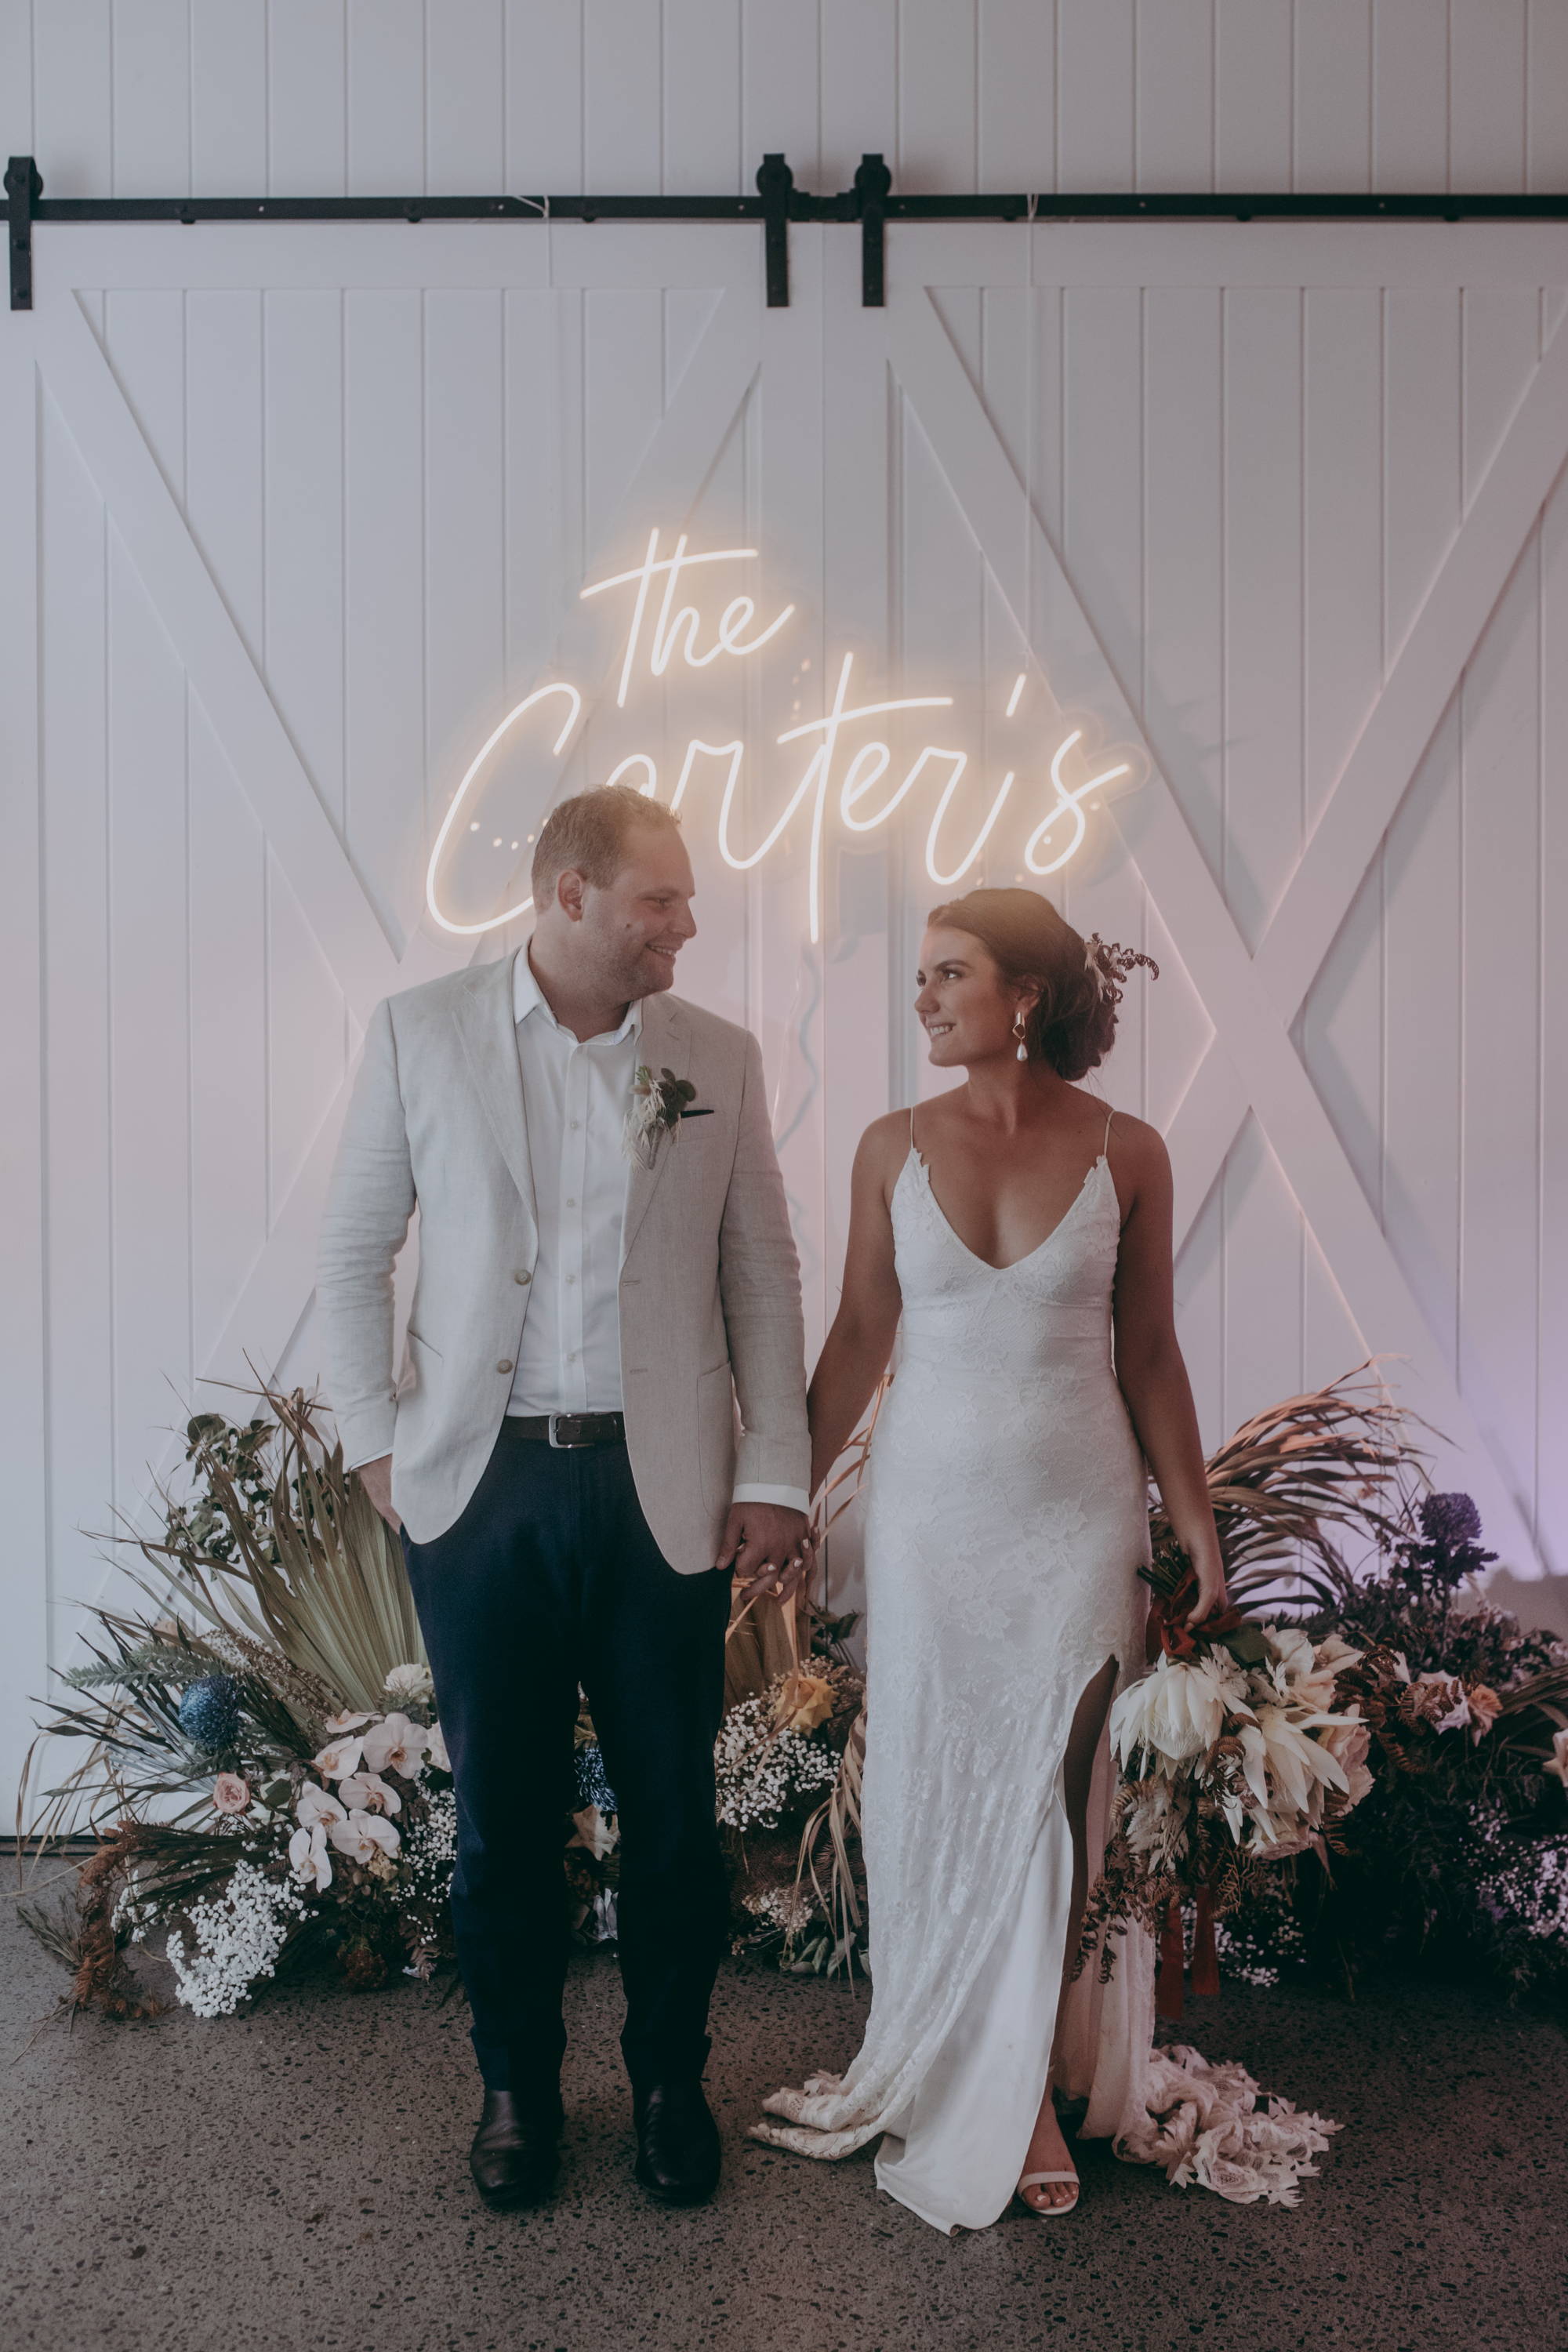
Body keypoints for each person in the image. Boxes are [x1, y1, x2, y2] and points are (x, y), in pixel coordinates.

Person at [315, 784, 811, 2213]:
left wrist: (772, 1470)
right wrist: (374, 1450)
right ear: (571, 895)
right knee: (501, 1820)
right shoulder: (422, 1033)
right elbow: (354, 1255)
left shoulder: (715, 1053)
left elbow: (762, 1272)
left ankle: (668, 2083)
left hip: (665, 1490)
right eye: (661, 900)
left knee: (671, 1814)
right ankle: (516, 2087)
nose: (688, 927)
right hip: (483, 1486)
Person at [749, 886, 1228, 2230]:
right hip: (929, 1529)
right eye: (919, 977)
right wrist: (773, 1492)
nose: (924, 997)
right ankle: (981, 2071)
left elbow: (1149, 1352)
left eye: (948, 973)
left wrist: (1193, 1528)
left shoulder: (1130, 1151)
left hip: (1081, 1518)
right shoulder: (886, 1146)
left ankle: (1030, 2078)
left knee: (1055, 1800)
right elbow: (856, 1340)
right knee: (936, 1789)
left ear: (1024, 995)